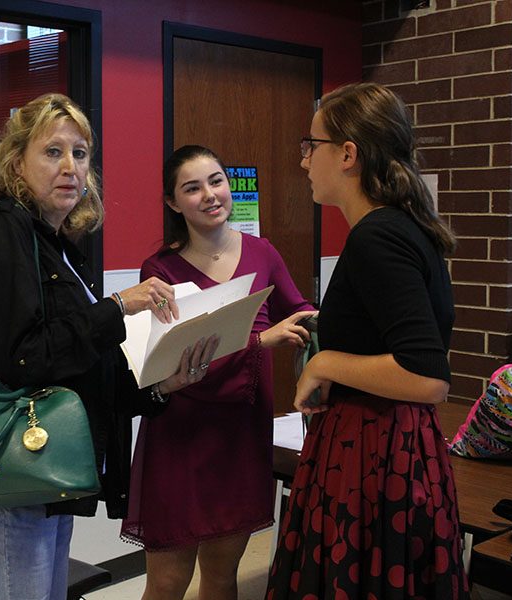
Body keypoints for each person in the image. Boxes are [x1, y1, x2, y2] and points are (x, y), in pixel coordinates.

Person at [0, 93, 218, 600]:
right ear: (17, 161)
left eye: (81, 153)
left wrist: (159, 387)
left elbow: (80, 366)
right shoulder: (4, 226)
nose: (71, 167)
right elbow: (25, 358)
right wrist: (117, 306)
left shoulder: (56, 242)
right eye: (53, 152)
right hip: (8, 469)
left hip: (46, 469)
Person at [266, 82, 468, 599]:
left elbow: (426, 377)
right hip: (392, 445)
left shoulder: (377, 236)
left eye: (311, 146)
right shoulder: (404, 228)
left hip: (374, 452)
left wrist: (325, 363)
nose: (305, 161)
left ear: (349, 154)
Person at [120, 144, 316, 600]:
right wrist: (261, 340)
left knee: (223, 576)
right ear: (173, 203)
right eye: (192, 188)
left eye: (216, 181)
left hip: (241, 436)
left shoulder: (263, 252)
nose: (210, 195)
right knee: (168, 581)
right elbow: (171, 361)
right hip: (181, 438)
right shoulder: (160, 270)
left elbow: (299, 309)